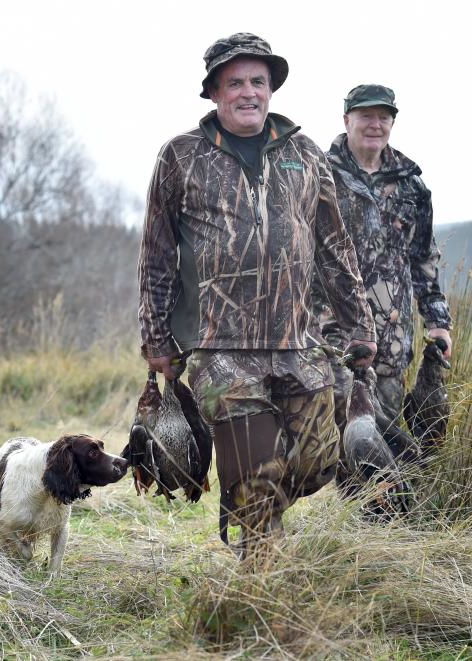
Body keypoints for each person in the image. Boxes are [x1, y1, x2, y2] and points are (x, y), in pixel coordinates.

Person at [138, 33, 376, 553]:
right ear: (215, 92)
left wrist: (360, 327)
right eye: (235, 82)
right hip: (217, 347)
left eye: (258, 82)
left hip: (297, 342)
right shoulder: (181, 156)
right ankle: (259, 583)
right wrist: (156, 338)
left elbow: (336, 249)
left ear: (271, 90)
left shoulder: (306, 155)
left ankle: (255, 508)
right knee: (254, 471)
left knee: (319, 463)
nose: (248, 92)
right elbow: (156, 254)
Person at [312, 84, 452, 493]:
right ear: (346, 120)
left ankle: (380, 523)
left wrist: (438, 321)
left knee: (385, 429)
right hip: (332, 333)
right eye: (365, 115)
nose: (375, 124)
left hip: (392, 338)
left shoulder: (410, 183)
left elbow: (424, 259)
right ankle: (353, 523)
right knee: (348, 430)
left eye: (383, 116)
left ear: (392, 122)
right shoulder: (318, 174)